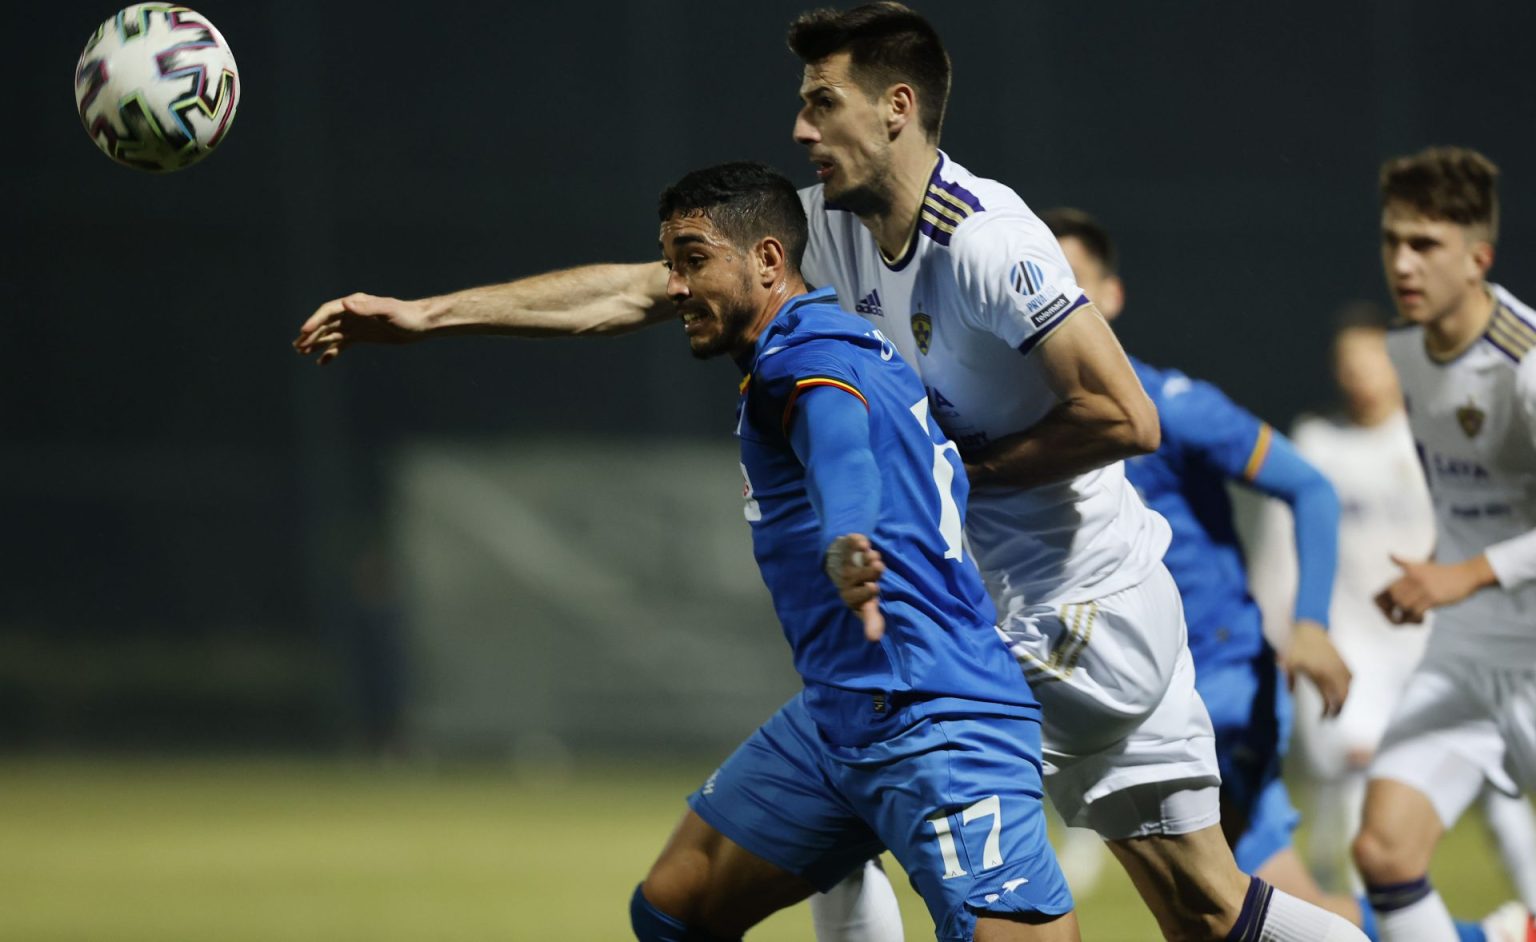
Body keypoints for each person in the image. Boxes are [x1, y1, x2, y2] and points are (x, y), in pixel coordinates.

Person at [294, 6, 1367, 939]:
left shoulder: (988, 242)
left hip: (1071, 616)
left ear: (896, 108)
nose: (801, 129)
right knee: (1206, 911)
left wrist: (957, 468)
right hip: (980, 609)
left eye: (822, 104)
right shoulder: (818, 231)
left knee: (865, 760)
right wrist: (427, 316)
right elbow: (634, 290)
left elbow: (1127, 416)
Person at [621, 160, 1079, 941]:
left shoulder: (804, 355)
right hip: (839, 712)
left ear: (769, 260)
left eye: (693, 260)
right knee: (674, 906)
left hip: (935, 712)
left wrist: (846, 533)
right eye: (670, 264)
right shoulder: (832, 342)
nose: (674, 286)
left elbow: (841, 448)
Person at [1046, 209, 1501, 942]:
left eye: (1075, 282)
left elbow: (1311, 487)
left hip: (1215, 682)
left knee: (1235, 905)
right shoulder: (1020, 416)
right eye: (1041, 279)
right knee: (1240, 907)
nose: (1055, 299)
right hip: (1127, 686)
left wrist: (1310, 624)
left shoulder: (1168, 407)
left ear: (1112, 295)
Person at [1250, 305, 1536, 942]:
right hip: (1354, 650)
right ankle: (1371, 925)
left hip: (1440, 643)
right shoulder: (1318, 443)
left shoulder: (1434, 436)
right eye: (1348, 362)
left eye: (1372, 359)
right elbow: (1279, 550)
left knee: (1500, 793)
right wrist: (1278, 628)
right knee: (1364, 799)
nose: (1360, 374)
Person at [1353, 146, 1536, 942]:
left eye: (1425, 244)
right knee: (1384, 851)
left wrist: (1465, 574)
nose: (1403, 262)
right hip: (1464, 653)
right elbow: (1471, 494)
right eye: (1393, 240)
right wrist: (1433, 572)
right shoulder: (1406, 352)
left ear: (1478, 259)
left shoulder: (1525, 364)